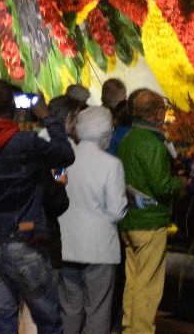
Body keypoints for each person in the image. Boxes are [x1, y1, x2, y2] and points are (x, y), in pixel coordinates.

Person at [0, 79, 75, 334]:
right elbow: (65, 155)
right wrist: (48, 118)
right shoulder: (26, 143)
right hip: (25, 242)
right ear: (12, 107)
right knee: (48, 322)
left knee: (4, 322)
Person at [116, 89, 183, 334]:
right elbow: (162, 187)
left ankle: (129, 327)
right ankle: (142, 330)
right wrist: (183, 182)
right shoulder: (152, 144)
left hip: (129, 221)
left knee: (133, 281)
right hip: (149, 223)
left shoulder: (127, 139)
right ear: (156, 114)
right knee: (149, 284)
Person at [59, 106, 127, 334]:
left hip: (67, 243)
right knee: (97, 311)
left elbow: (56, 193)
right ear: (106, 132)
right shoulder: (111, 165)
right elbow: (117, 211)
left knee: (69, 309)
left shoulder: (63, 161)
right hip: (99, 247)